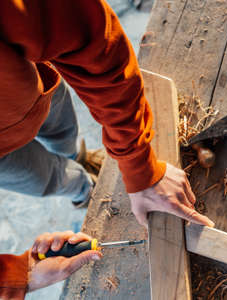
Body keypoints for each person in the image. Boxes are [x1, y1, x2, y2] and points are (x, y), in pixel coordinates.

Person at [0, 0, 214, 298]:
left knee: (64, 134)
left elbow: (94, 44)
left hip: (35, 91)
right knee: (50, 178)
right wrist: (14, 274)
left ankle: (79, 157)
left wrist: (139, 163)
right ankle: (84, 192)